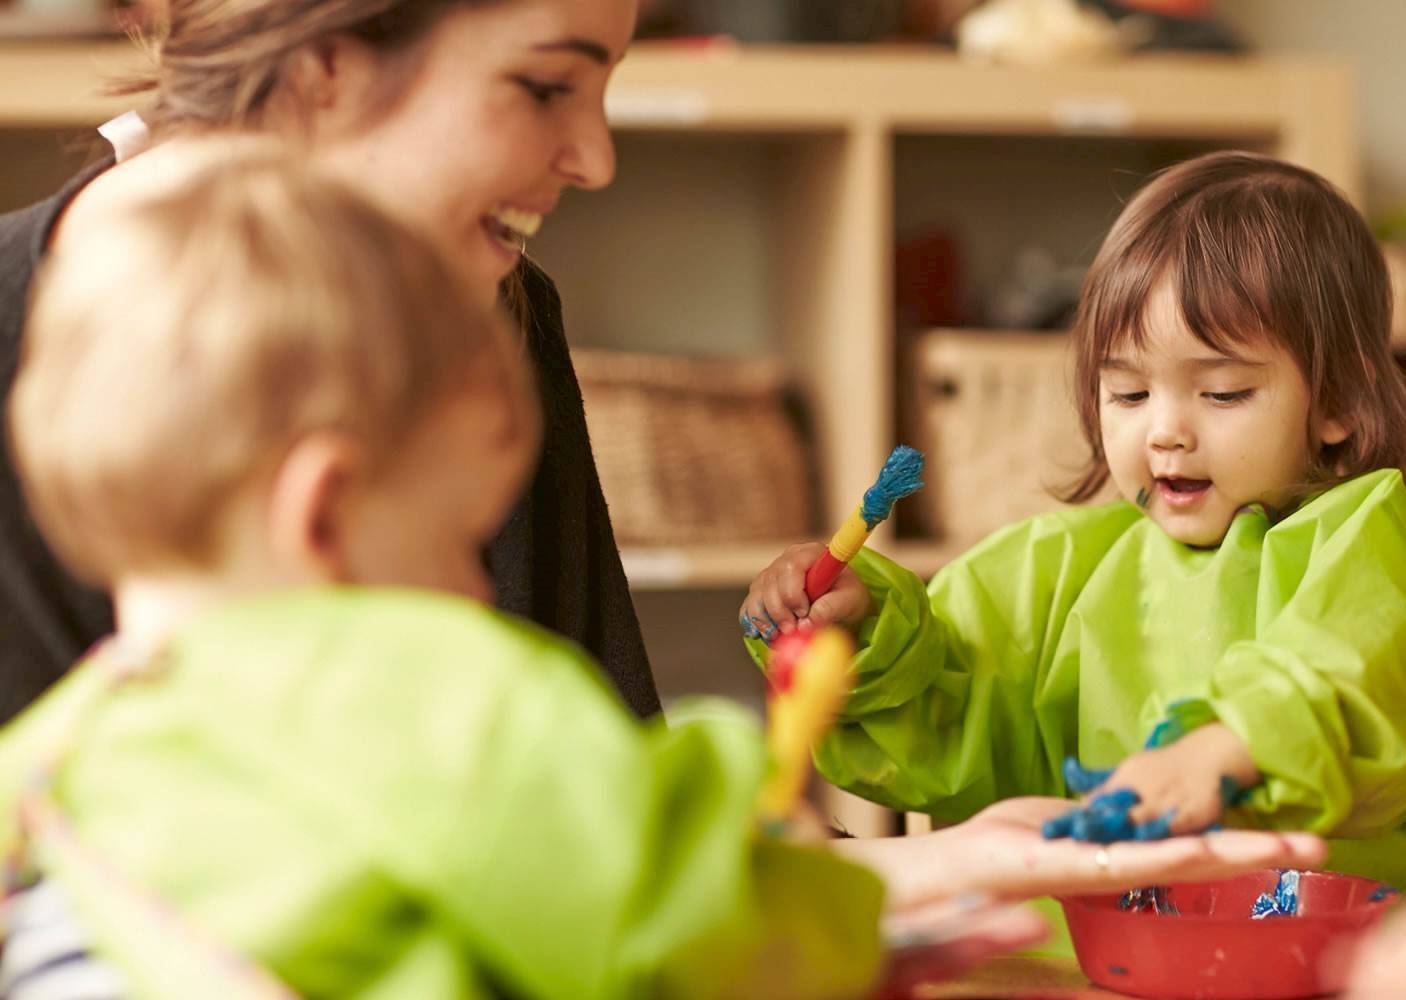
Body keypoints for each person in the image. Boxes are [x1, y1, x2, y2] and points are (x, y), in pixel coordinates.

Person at [0, 144, 1325, 1000]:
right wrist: (843, 917)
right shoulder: (437, 699)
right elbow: (673, 900)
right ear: (325, 515)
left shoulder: (75, 735)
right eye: (464, 534)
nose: (480, 585)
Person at [742, 150, 1406, 933]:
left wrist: (1228, 747)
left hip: (1380, 945)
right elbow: (954, 709)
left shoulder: (1357, 537)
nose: (1166, 434)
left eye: (1223, 393)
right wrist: (863, 638)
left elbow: (1362, 669)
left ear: (1337, 402)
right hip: (1147, 951)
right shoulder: (1058, 567)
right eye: (1127, 394)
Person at [0, 0, 659, 723]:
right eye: (545, 86)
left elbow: (611, 765)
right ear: (324, 66)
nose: (597, 161)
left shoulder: (490, 313)